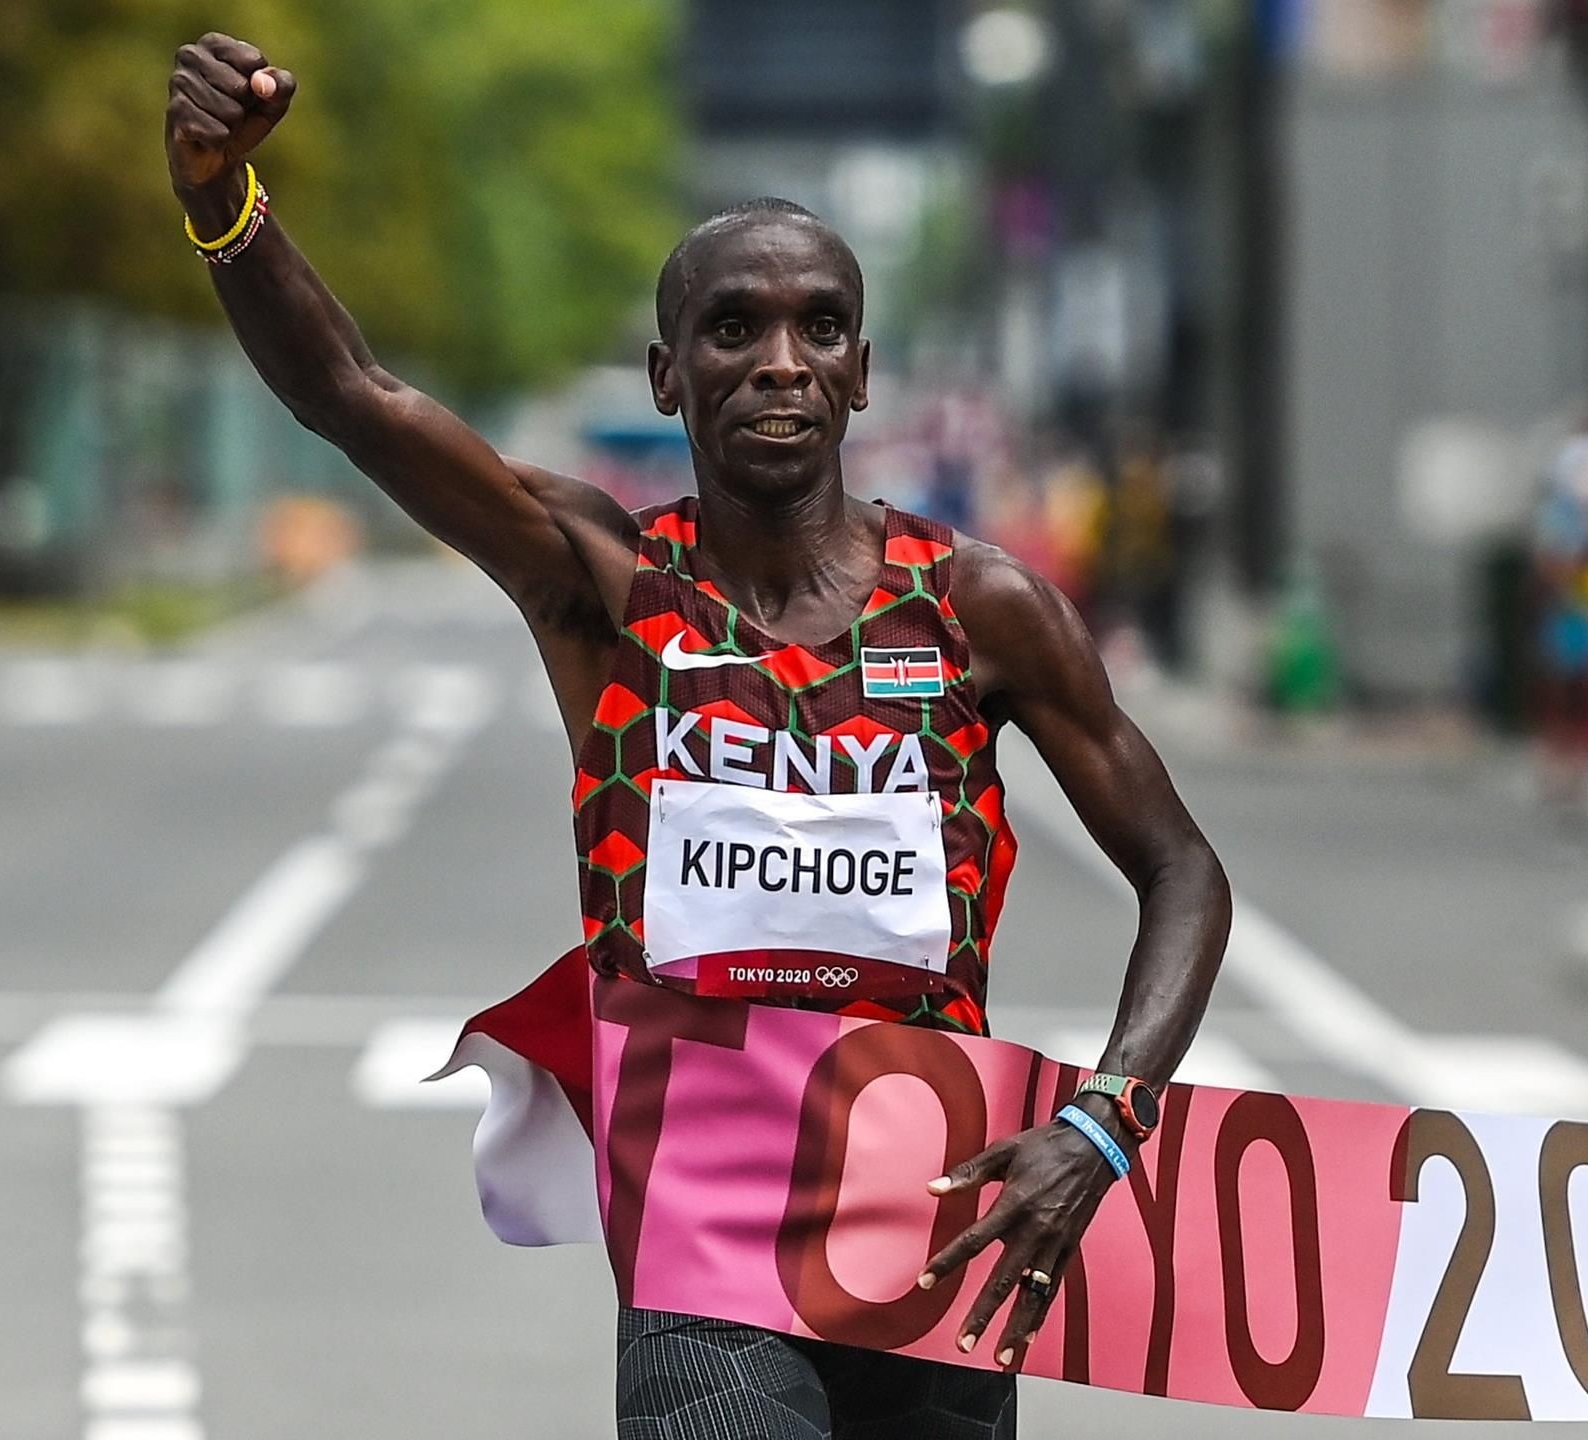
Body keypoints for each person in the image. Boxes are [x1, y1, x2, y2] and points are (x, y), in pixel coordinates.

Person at [164, 34, 1233, 1439]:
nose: (778, 364)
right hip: (705, 1235)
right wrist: (225, 204)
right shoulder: (604, 585)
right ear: (670, 376)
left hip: (936, 1225)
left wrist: (1101, 1126)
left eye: (818, 330)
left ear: (862, 371)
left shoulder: (980, 607)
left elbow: (1183, 873)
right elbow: (353, 396)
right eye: (734, 330)